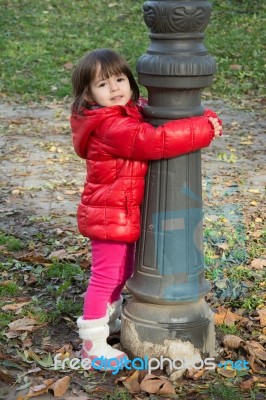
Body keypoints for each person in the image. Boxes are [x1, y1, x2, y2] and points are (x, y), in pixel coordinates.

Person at [70, 48, 222, 369]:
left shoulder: (125, 111)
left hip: (120, 212)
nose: (114, 88)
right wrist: (204, 128)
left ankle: (107, 321)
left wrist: (199, 112)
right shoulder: (110, 126)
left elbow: (161, 111)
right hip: (109, 215)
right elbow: (154, 141)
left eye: (119, 79)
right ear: (88, 94)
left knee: (122, 271)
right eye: (103, 84)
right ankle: (92, 346)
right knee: (105, 275)